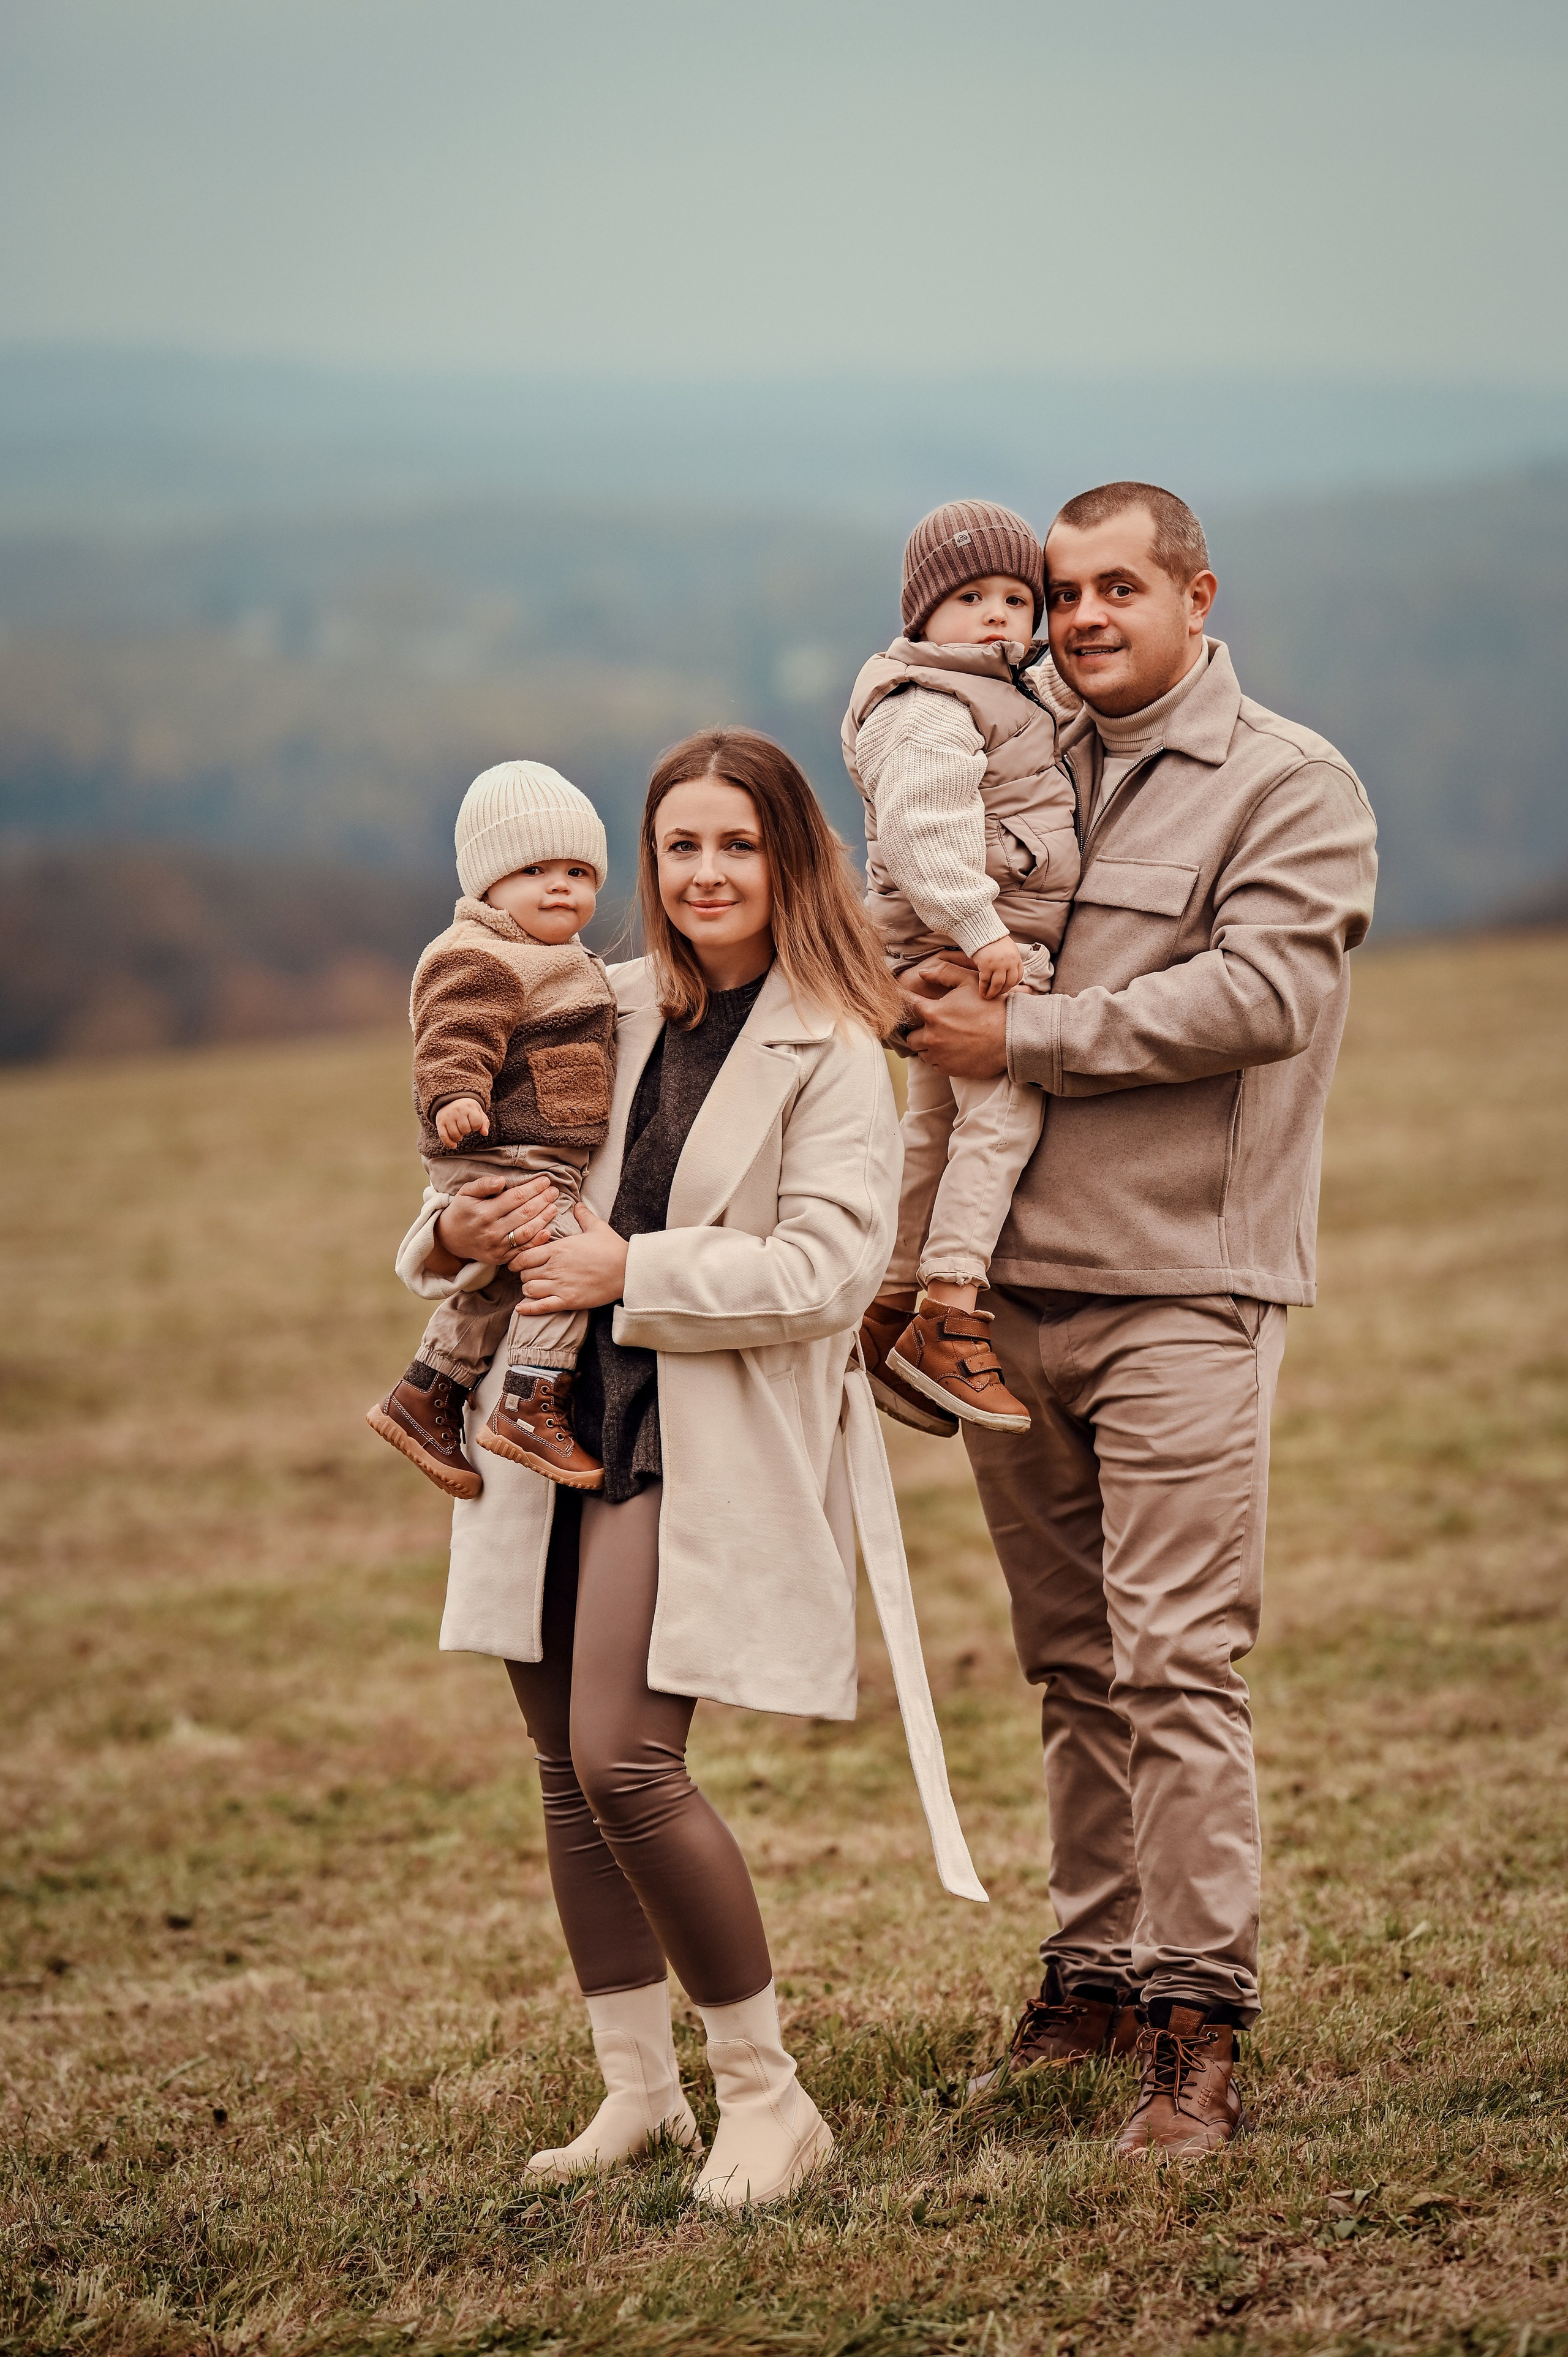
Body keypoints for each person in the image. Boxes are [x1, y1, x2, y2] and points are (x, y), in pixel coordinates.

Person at [393, 727, 986, 2211]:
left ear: (788, 859)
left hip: (691, 1425)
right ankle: (637, 2092)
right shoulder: (592, 1000)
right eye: (681, 846)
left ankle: (769, 2097)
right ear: (646, 869)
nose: (707, 871)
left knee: (624, 1757)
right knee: (560, 1768)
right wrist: (453, 1232)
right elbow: (469, 1181)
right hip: (539, 1416)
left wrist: (624, 1265)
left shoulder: (833, 1042)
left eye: (738, 843)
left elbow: (830, 1265)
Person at [906, 481, 1378, 2157]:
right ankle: (1094, 1981)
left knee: (1179, 1661)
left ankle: (1198, 2030)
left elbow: (1263, 996)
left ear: (1196, 593)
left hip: (1185, 1288)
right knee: (1071, 1666)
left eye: (1121, 587)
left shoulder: (1290, 782)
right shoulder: (1002, 748)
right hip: (1002, 1299)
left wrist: (1024, 1043)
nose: (1085, 616)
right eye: (1065, 591)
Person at [842, 500, 1080, 1439]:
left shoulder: (994, 686)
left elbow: (1050, 700)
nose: (998, 616)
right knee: (1004, 1114)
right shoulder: (929, 710)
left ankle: (888, 1302)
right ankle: (949, 1307)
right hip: (967, 952)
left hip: (951, 944)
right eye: (971, 596)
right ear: (921, 615)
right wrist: (983, 933)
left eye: (1018, 599)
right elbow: (923, 832)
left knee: (933, 1127)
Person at [366, 760, 616, 1497]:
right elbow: (453, 1032)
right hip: (497, 1146)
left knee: (502, 1284)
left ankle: (426, 1392)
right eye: (533, 868)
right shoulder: (482, 954)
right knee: (562, 1264)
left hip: (533, 1151)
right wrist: (453, 1096)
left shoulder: (559, 956)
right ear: (486, 884)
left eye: (578, 869)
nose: (560, 885)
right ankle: (529, 1401)